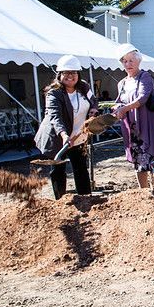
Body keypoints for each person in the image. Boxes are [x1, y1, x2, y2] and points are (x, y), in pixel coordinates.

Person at [34, 55, 99, 199]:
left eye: (74, 72)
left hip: (78, 135)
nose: (70, 76)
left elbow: (94, 100)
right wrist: (64, 135)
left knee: (81, 168)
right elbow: (55, 117)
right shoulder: (54, 93)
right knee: (58, 169)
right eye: (66, 73)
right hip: (58, 136)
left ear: (78, 74)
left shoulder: (83, 87)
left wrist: (93, 110)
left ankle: (86, 198)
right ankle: (61, 201)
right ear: (60, 75)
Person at [114, 43, 154, 188]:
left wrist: (125, 108)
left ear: (138, 61)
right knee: (138, 160)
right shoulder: (122, 83)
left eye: (131, 60)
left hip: (147, 124)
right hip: (131, 127)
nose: (128, 64)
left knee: (152, 157)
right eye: (124, 61)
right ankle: (143, 192)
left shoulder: (145, 76)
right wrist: (117, 109)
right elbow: (119, 101)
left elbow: (142, 98)